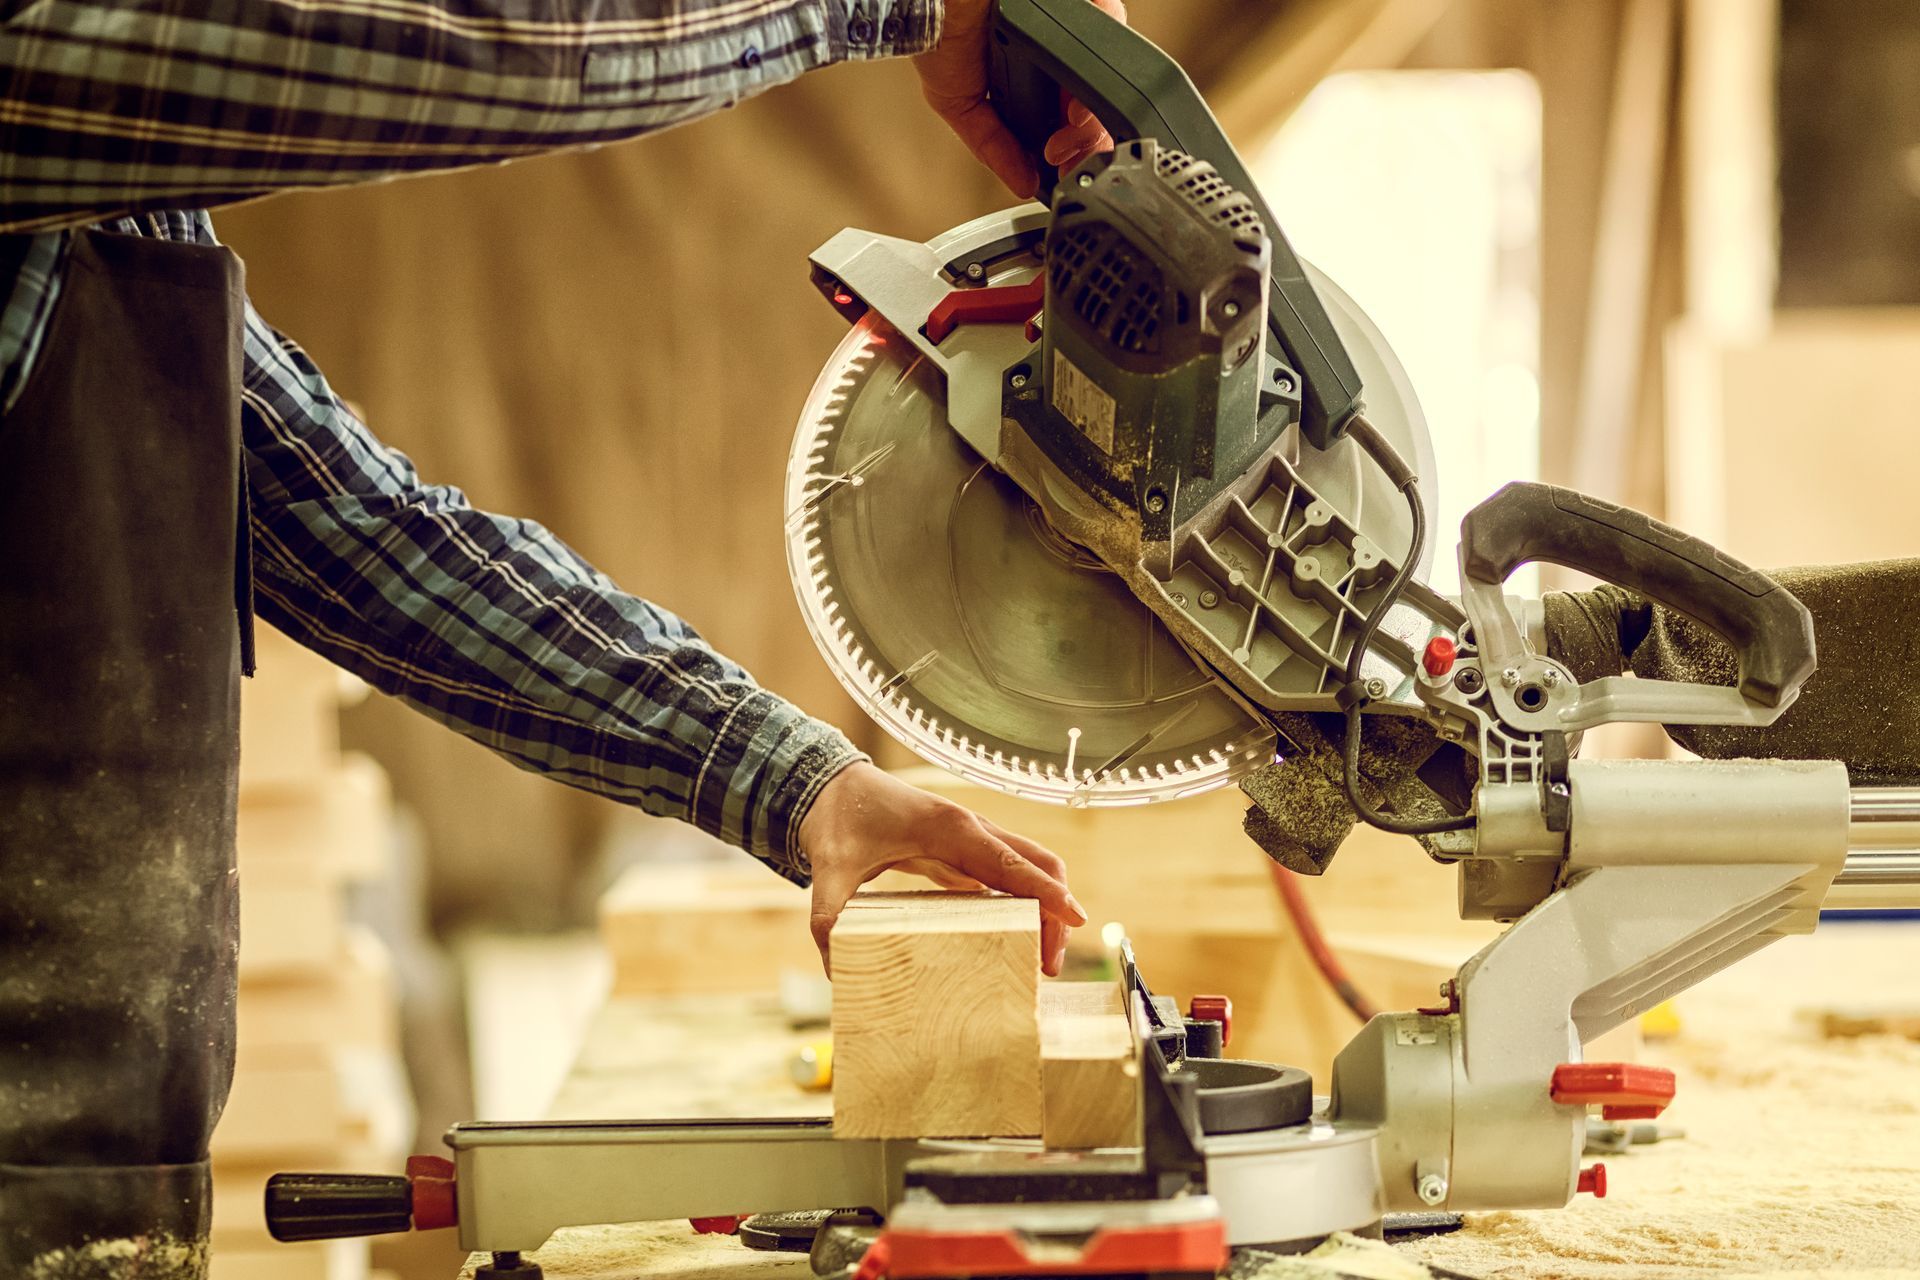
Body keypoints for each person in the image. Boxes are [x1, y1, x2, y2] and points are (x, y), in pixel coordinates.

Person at [0, 0, 1121, 1273]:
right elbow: (448, 50)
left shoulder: (102, 228)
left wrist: (805, 785)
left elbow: (384, 543)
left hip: (81, 1169)